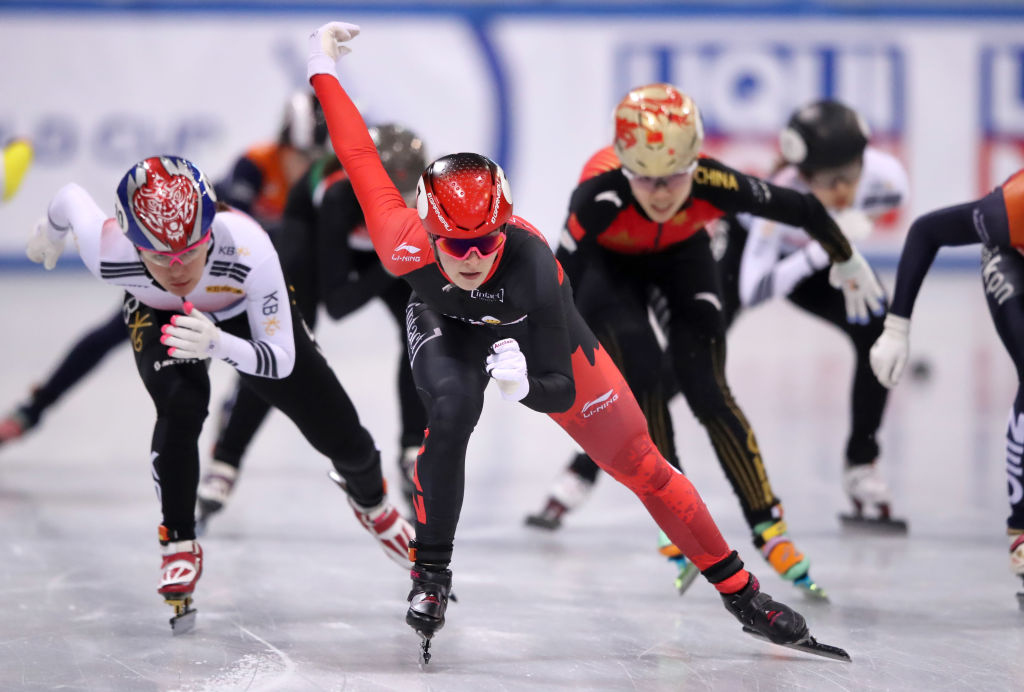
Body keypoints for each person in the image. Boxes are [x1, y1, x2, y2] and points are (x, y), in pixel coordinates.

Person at [306, 21, 851, 664]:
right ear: (427, 232)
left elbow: (562, 386)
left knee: (643, 464)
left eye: (489, 239)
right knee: (451, 414)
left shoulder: (534, 263)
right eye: (457, 245)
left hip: (535, 335)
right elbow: (357, 152)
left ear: (507, 223)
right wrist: (324, 65)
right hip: (446, 326)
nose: (475, 257)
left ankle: (743, 596)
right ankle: (432, 575)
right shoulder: (400, 239)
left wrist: (526, 386)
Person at [24, 154, 414, 632]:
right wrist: (52, 228)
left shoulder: (249, 247)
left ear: (211, 231)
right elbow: (67, 198)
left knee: (344, 437)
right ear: (133, 245)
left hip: (240, 313)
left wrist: (221, 344)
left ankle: (374, 505)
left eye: (191, 250)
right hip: (159, 313)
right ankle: (178, 541)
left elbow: (281, 361)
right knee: (181, 406)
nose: (179, 269)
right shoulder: (109, 252)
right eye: (160, 257)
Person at [525, 83, 885, 600]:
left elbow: (802, 209)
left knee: (707, 387)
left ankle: (769, 524)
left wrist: (846, 257)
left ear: (695, 164)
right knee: (643, 376)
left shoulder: (714, 180)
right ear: (625, 169)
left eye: (675, 177)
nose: (663, 193)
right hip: (610, 270)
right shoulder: (596, 196)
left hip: (682, 257)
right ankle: (674, 513)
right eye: (645, 180)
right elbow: (560, 283)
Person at [0, 92, 327, 450]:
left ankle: (232, 416)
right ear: (281, 146)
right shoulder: (254, 165)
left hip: (236, 283)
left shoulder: (315, 177)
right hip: (180, 268)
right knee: (112, 333)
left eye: (313, 158)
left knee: (261, 339)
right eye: (299, 156)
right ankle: (35, 406)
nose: (304, 165)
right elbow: (230, 233)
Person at [196, 123, 430, 526]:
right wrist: (403, 257)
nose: (401, 211)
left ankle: (412, 449)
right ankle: (226, 460)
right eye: (392, 202)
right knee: (284, 350)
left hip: (378, 250)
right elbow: (337, 302)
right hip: (316, 234)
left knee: (420, 330)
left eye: (409, 202)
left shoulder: (425, 199)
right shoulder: (339, 198)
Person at [724, 100, 910, 530]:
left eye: (851, 174)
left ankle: (861, 464)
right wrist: (821, 249)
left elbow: (852, 217)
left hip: (823, 257)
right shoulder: (780, 199)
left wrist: (839, 249)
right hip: (761, 258)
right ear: (804, 177)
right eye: (830, 182)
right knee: (698, 348)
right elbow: (755, 290)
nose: (845, 191)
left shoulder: (889, 181)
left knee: (879, 334)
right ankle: (588, 464)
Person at [869, 168, 1024, 607]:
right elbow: (925, 231)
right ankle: (1021, 529)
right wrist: (897, 328)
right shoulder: (1012, 206)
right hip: (1012, 258)